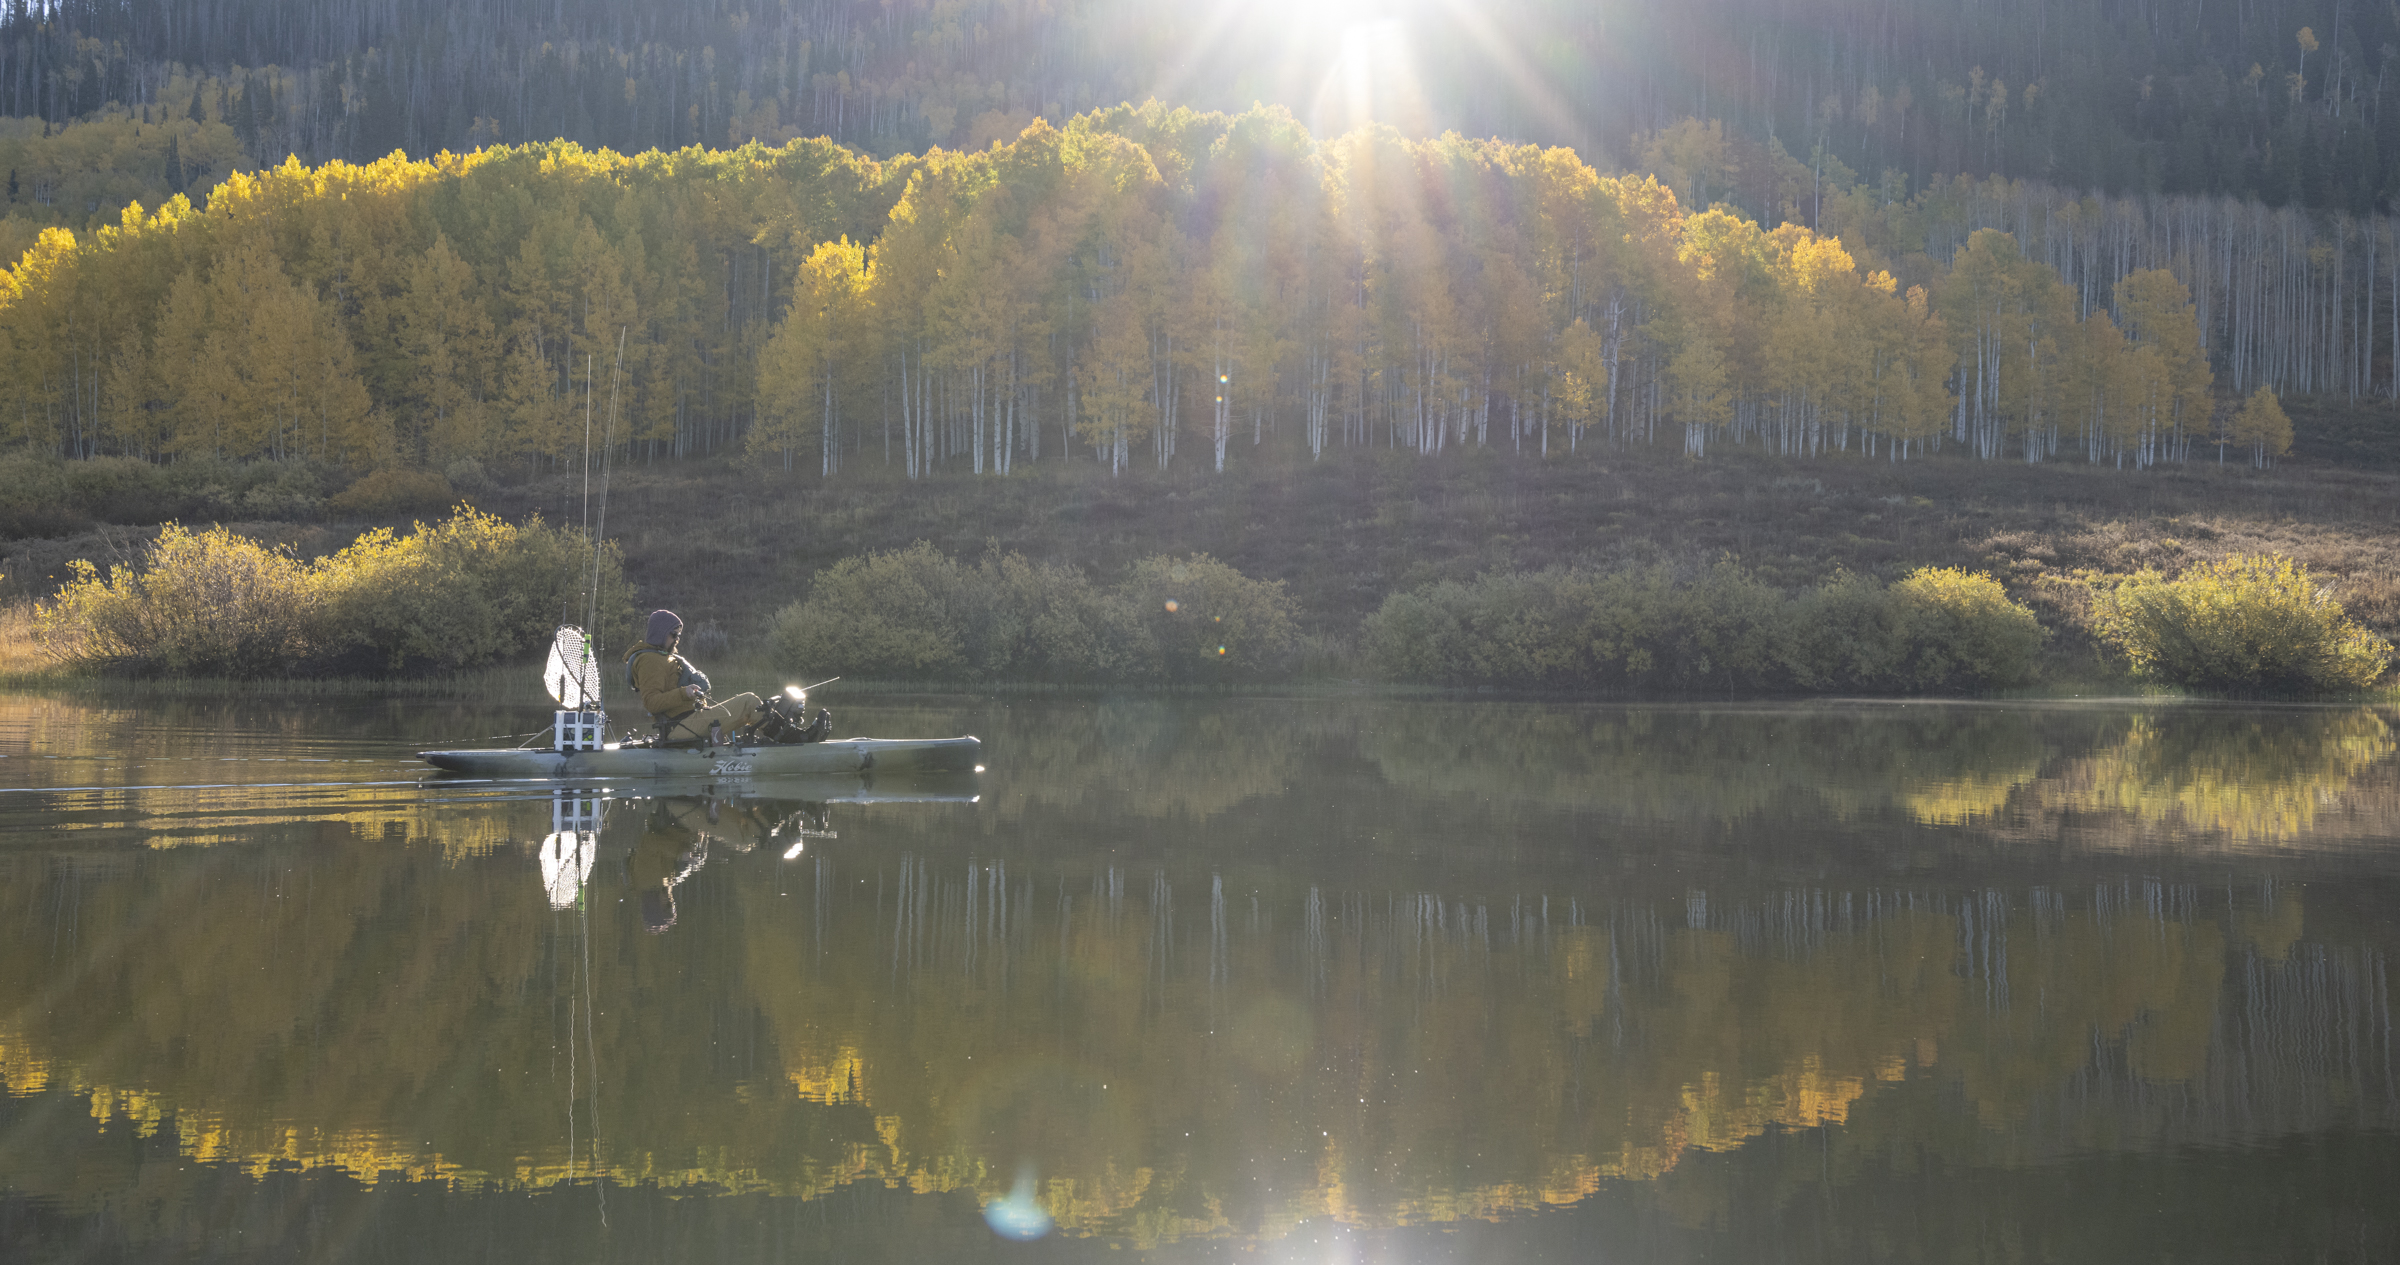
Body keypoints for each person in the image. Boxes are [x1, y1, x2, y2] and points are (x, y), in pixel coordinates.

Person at [624, 609, 763, 746]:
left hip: (690, 719)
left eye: (678, 635)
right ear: (661, 634)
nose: (677, 639)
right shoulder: (650, 660)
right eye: (674, 635)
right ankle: (782, 743)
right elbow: (652, 703)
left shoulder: (663, 656)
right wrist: (684, 693)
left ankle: (778, 737)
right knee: (749, 702)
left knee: (763, 705)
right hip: (680, 725)